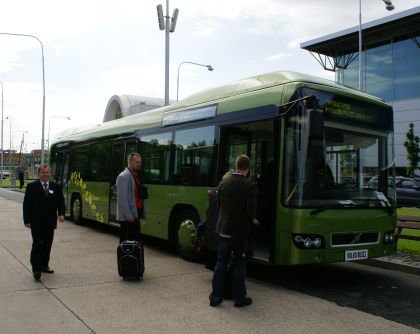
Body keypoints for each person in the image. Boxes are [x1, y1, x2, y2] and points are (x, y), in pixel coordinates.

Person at [209, 155, 259, 308]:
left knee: (220, 263)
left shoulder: (224, 182)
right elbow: (251, 210)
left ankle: (215, 297)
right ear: (248, 168)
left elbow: (219, 207)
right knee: (239, 264)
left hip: (223, 229)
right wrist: (253, 219)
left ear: (236, 165)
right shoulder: (250, 185)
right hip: (238, 232)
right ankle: (239, 298)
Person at [23, 164, 65, 281]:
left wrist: (61, 213)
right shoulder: (32, 187)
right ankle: (36, 269)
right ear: (38, 174)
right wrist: (26, 220)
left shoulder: (56, 187)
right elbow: (27, 204)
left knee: (47, 245)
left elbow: (60, 202)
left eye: (47, 173)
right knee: (37, 244)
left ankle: (44, 265)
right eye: (43, 173)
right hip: (36, 222)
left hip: (50, 222)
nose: (46, 175)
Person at [116, 153, 145, 243]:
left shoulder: (134, 176)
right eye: (137, 162)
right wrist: (128, 215)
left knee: (134, 243)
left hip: (135, 214)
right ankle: (125, 257)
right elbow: (122, 199)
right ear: (130, 162)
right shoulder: (123, 176)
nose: (139, 164)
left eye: (140, 162)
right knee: (126, 244)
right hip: (128, 218)